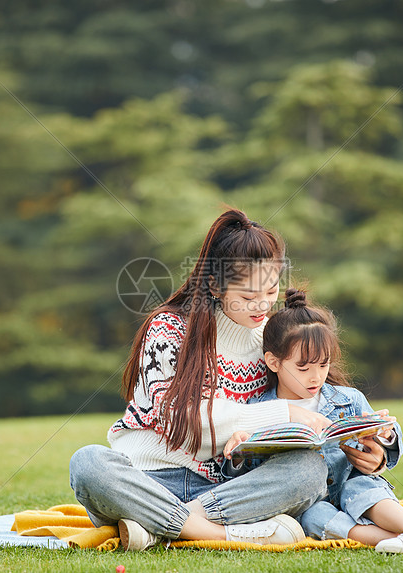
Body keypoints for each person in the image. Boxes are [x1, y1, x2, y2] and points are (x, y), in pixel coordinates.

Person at [69, 209, 332, 550]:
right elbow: (183, 422)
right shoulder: (168, 329)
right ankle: (215, 534)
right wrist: (284, 413)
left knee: (309, 471)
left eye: (271, 290)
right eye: (249, 297)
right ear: (215, 285)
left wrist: (376, 446)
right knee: (88, 463)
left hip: (224, 489)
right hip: (146, 482)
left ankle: (158, 527)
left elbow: (319, 390)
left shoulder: (271, 339)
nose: (264, 304)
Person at [224, 288, 403, 554]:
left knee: (363, 488)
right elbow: (250, 477)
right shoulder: (260, 411)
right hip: (306, 501)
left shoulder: (347, 399)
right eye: (303, 368)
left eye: (323, 365)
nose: (316, 377)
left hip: (352, 482)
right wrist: (238, 455)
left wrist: (384, 437)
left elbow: (386, 443)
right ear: (273, 362)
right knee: (311, 517)